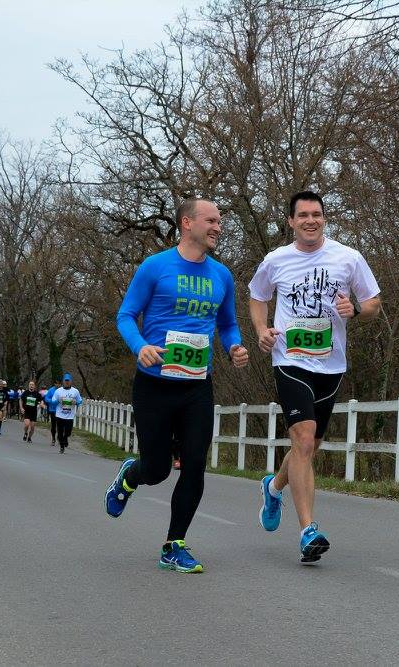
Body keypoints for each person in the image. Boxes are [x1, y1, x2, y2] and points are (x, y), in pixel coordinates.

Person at [104, 197, 249, 574]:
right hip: (154, 384)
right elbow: (125, 316)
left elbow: (227, 324)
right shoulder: (155, 267)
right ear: (187, 223)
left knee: (195, 464)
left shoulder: (222, 276)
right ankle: (131, 475)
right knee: (157, 470)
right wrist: (140, 347)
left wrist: (234, 346)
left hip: (196, 385)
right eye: (211, 220)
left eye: (220, 221)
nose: (218, 227)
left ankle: (174, 544)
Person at [248, 190, 381, 564]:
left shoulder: (348, 258)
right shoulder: (276, 260)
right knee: (303, 439)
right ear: (291, 221)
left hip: (331, 366)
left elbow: (374, 302)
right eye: (303, 215)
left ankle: (274, 487)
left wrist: (356, 309)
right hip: (289, 360)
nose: (311, 220)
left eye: (317, 214)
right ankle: (308, 530)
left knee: (308, 448)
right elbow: (257, 297)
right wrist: (261, 330)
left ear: (324, 218)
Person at [52, 374, 83, 454]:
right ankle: (62, 447)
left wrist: (76, 402)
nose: (67, 382)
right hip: (59, 415)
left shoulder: (75, 391)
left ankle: (65, 438)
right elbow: (53, 401)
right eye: (65, 381)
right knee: (60, 432)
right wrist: (58, 400)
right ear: (63, 381)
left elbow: (80, 401)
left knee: (68, 432)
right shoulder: (58, 391)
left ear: (71, 381)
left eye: (68, 381)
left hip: (70, 416)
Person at [43, 381, 61, 447]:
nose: (58, 384)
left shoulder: (62, 390)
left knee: (60, 425)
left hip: (60, 411)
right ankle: (53, 439)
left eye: (59, 383)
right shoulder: (51, 390)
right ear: (54, 383)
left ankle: (59, 437)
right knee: (53, 425)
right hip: (53, 410)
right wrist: (51, 401)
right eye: (56, 383)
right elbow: (46, 398)